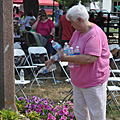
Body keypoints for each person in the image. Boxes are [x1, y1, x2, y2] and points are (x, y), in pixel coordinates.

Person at [45, 2, 110, 120]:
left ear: (80, 20)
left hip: (93, 82)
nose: (70, 24)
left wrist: (65, 58)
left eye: (72, 22)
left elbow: (90, 58)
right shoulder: (77, 32)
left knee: (96, 115)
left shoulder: (94, 34)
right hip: (78, 81)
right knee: (80, 114)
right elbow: (67, 49)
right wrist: (53, 59)